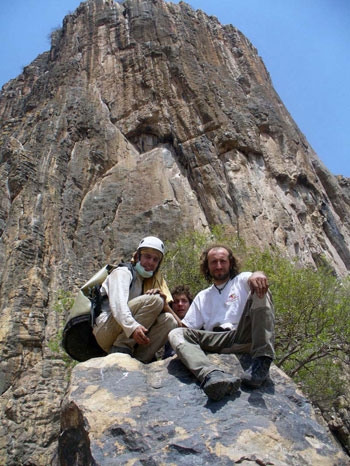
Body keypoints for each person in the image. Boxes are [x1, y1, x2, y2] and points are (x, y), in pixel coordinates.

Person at [168, 244, 275, 401]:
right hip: (217, 341)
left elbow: (255, 276)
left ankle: (262, 360)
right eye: (213, 262)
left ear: (230, 263)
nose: (218, 266)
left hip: (244, 335)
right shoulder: (202, 296)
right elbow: (186, 329)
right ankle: (211, 375)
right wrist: (165, 307)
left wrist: (257, 275)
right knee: (176, 333)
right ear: (207, 266)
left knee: (260, 292)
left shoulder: (242, 280)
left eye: (222, 261)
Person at [93, 236, 178, 363]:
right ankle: (121, 348)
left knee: (169, 321)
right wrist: (133, 327)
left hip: (126, 331)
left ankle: (139, 360)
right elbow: (118, 306)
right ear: (138, 257)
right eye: (147, 257)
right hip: (106, 330)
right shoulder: (122, 272)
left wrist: (163, 301)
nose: (150, 262)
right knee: (155, 300)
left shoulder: (147, 283)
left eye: (155, 259)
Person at [162, 285, 193, 359]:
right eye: (176, 302)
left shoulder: (197, 321)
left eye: (184, 301)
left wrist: (166, 307)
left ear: (190, 304)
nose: (180, 304)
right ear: (171, 305)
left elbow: (184, 328)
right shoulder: (165, 321)